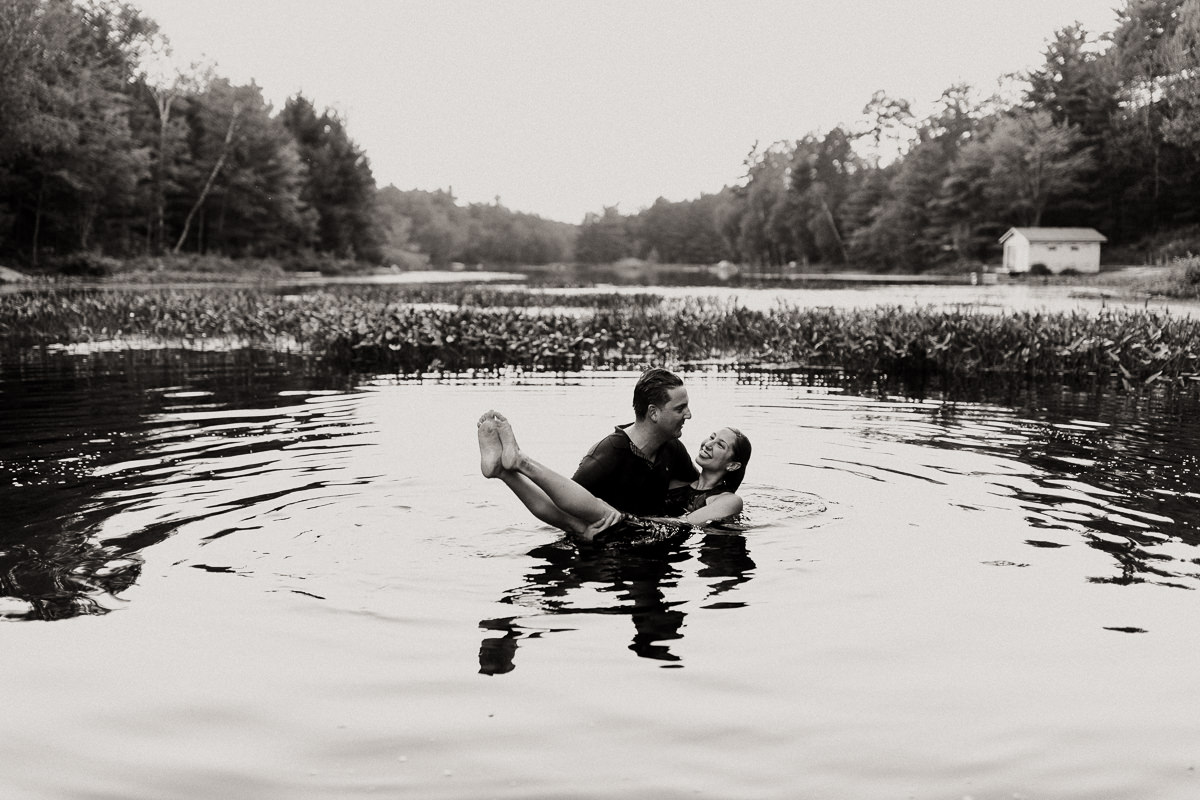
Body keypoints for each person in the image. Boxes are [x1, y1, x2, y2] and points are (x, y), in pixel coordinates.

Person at [478, 410, 751, 544]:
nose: (708, 443)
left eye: (720, 445)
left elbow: (686, 523)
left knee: (594, 514)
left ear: (734, 465)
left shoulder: (728, 501)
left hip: (660, 536)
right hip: (641, 533)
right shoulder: (681, 478)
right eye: (712, 437)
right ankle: (503, 471)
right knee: (573, 521)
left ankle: (520, 462)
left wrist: (621, 516)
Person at [570, 367, 699, 517]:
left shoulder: (673, 448)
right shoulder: (606, 456)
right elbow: (563, 506)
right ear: (653, 413)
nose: (688, 415)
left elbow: (700, 489)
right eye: (680, 409)